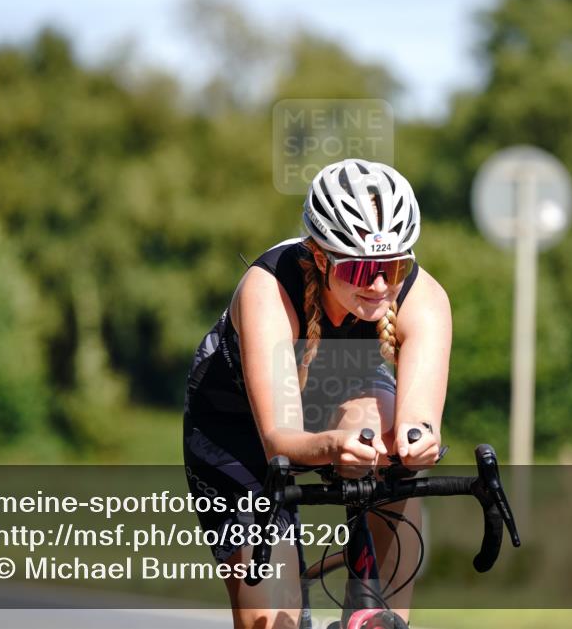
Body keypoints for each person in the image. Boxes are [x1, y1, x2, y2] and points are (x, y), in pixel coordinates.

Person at [183, 158, 452, 628]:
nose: (380, 285)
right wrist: (331, 447)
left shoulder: (423, 298)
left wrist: (419, 441)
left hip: (342, 405)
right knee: (274, 620)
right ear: (322, 258)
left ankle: (371, 609)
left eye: (394, 265)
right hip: (239, 430)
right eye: (361, 269)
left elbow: (419, 420)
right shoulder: (268, 289)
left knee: (387, 435)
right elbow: (280, 440)